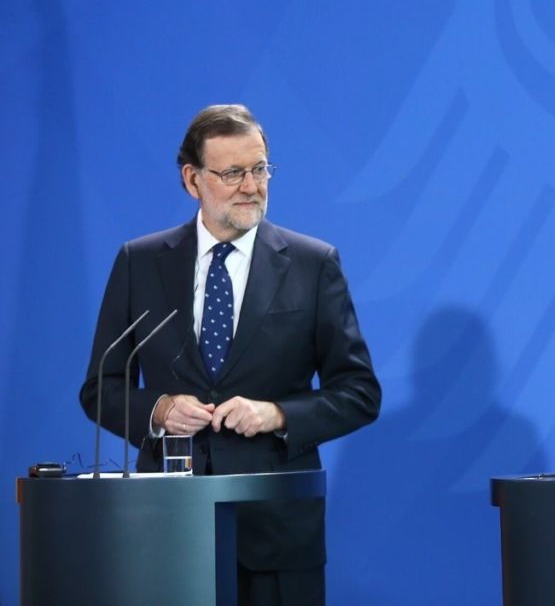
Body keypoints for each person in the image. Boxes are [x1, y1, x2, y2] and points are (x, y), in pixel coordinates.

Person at [80, 104, 382, 605]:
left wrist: (278, 414)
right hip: (167, 529)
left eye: (260, 169)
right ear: (192, 180)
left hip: (277, 537)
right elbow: (101, 389)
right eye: (233, 173)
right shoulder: (141, 262)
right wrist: (159, 410)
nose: (251, 186)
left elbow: (359, 392)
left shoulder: (312, 264)